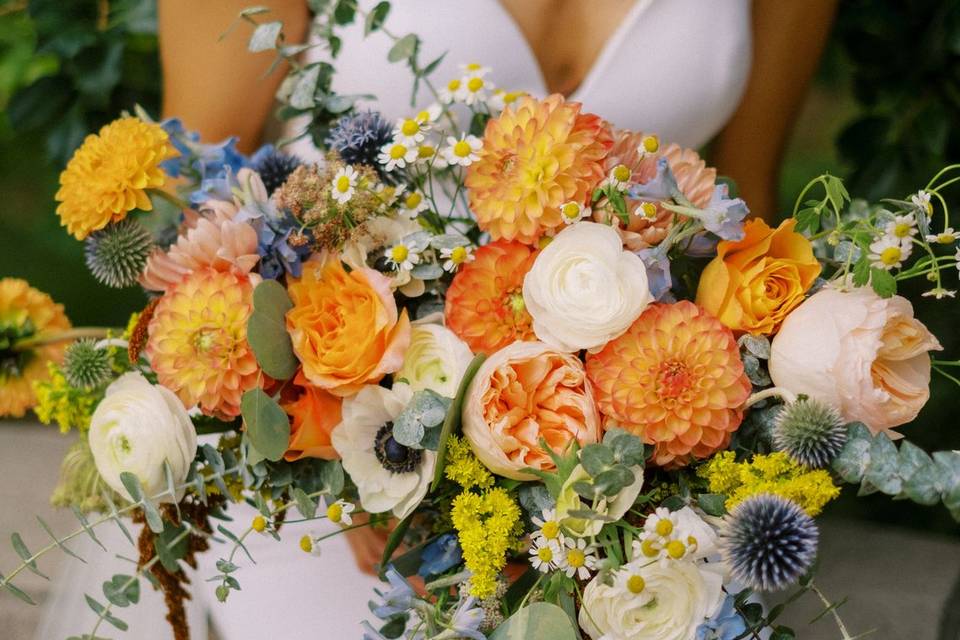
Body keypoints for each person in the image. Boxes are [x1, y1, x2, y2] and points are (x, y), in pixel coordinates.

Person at [38, 1, 837, 638]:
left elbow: (741, 220)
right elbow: (199, 222)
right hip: (319, 475)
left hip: (631, 488)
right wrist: (357, 463)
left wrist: (651, 469)